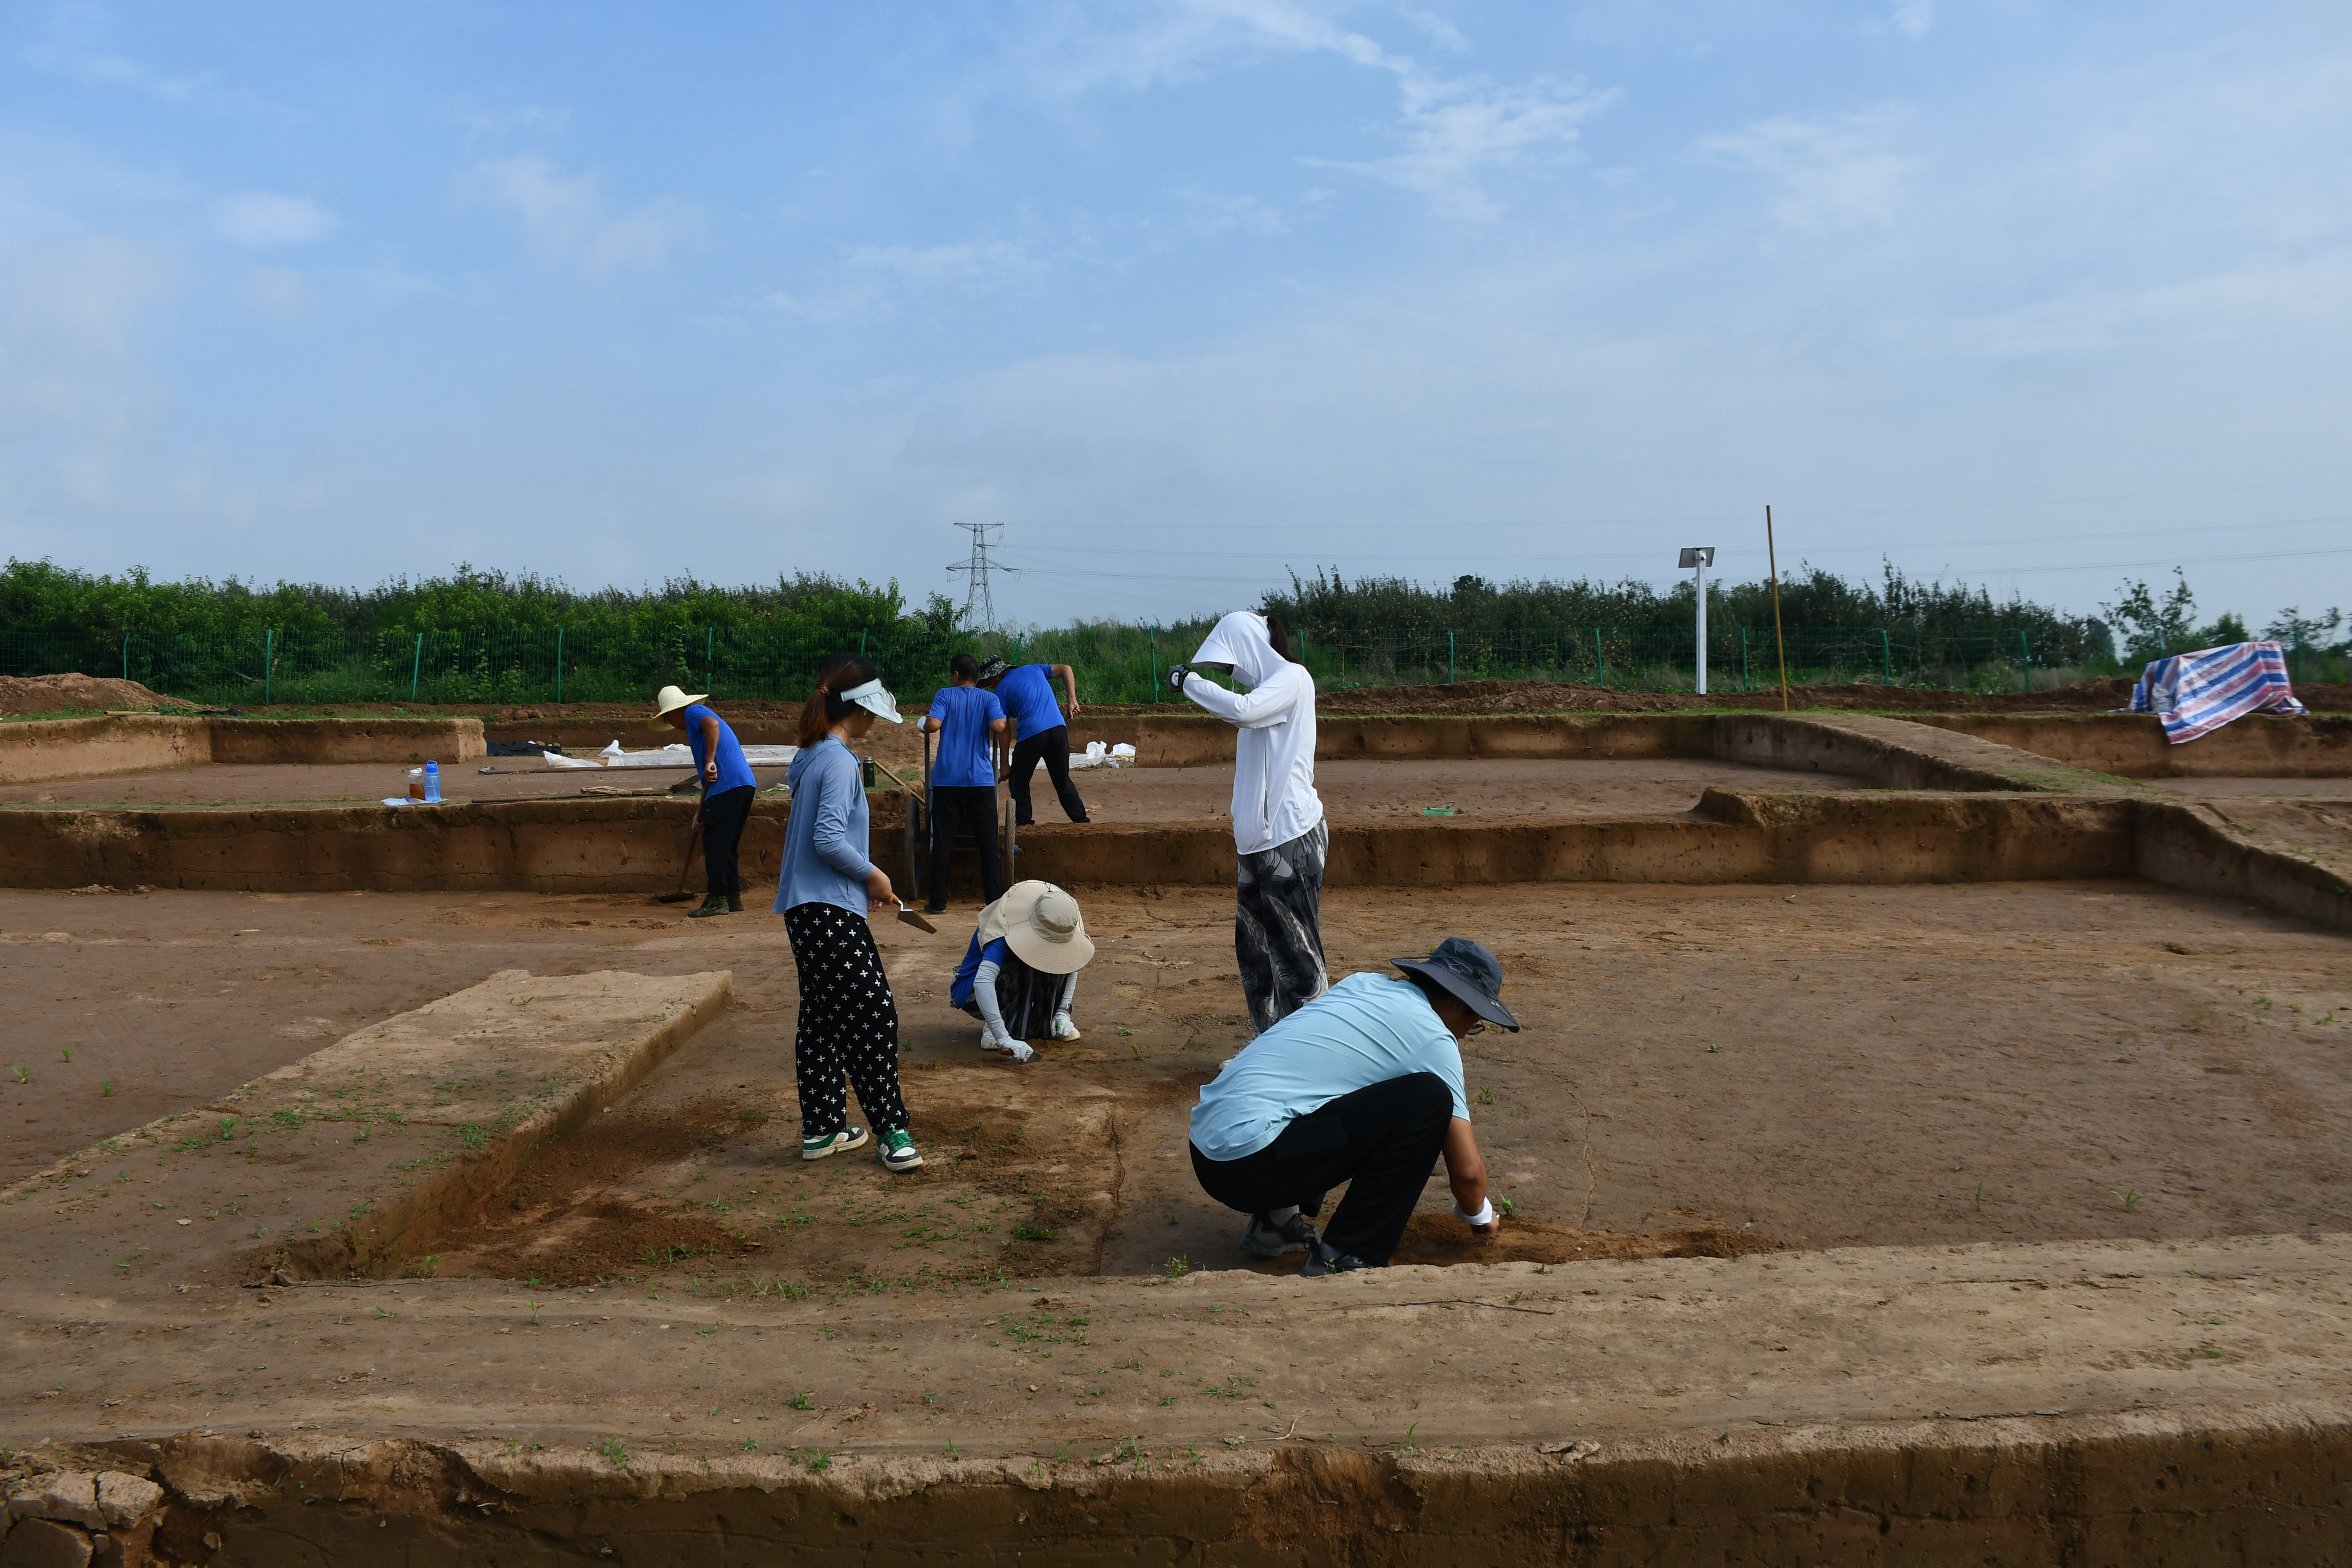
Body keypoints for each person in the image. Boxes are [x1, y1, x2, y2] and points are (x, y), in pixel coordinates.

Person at [1188, 937, 1518, 1274]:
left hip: (1206, 1148)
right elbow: (1467, 1172)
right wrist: (1479, 1214)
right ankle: (1345, 1254)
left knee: (1334, 1084)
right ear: (1459, 1004)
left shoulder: (1363, 984)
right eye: (1475, 1023)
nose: (1465, 1035)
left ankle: (1277, 1222)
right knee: (1430, 1100)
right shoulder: (1434, 1038)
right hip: (1248, 1166)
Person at [776, 653, 923, 1173]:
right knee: (873, 1014)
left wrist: (859, 885)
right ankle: (891, 1130)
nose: (874, 725)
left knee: (821, 1020)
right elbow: (829, 839)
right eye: (873, 715)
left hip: (806, 908)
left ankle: (822, 1129)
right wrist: (873, 876)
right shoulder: (838, 760)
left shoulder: (812, 755)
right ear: (859, 709)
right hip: (828, 911)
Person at [1166, 612, 1326, 1033]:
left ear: (1251, 650)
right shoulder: (1268, 691)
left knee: (1297, 956)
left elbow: (1243, 711)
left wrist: (1190, 682)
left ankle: (1312, 1056)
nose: (1231, 677)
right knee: (1255, 953)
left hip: (1291, 837)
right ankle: (1266, 1049)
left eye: (1230, 667)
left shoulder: (1293, 679)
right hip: (1257, 844)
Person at [949, 880, 1093, 1062]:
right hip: (973, 994)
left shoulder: (1064, 921)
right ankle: (998, 1028)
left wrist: (1062, 1011)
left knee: (1058, 959)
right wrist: (1003, 1038)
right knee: (1020, 964)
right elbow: (983, 982)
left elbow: (1072, 962)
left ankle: (1041, 1024)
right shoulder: (1006, 925)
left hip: (1004, 988)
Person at [652, 684, 757, 919]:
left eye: (669, 719)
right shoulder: (695, 725)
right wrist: (701, 814)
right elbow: (707, 780)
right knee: (727, 845)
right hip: (742, 784)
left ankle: (717, 899)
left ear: (673, 712)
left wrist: (710, 760)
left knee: (715, 844)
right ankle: (732, 897)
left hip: (727, 785)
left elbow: (713, 725)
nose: (672, 725)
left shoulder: (692, 712)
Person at [920, 653, 1009, 915]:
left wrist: (925, 722)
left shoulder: (945, 695)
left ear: (956, 676)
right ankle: (993, 901)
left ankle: (938, 902)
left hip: (948, 781)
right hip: (981, 781)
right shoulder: (990, 699)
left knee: (942, 843)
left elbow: (934, 724)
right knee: (988, 844)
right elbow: (998, 726)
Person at [975, 656, 1091, 827]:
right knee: (1062, 780)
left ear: (995, 676)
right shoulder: (1034, 668)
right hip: (1058, 729)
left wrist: (1005, 765)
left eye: (988, 682)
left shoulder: (1000, 692)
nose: (990, 687)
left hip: (1032, 735)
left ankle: (1024, 823)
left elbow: (1004, 728)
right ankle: (1082, 821)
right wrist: (1072, 701)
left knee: (1018, 781)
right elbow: (1066, 668)